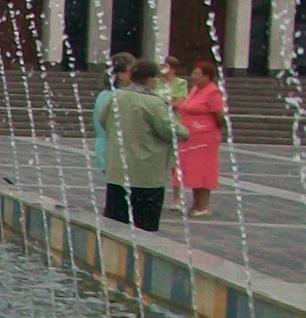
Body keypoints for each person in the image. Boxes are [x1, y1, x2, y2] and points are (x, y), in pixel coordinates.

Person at [102, 60, 180, 230]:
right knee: (144, 227)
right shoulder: (154, 102)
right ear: (150, 79)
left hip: (118, 172)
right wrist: (185, 131)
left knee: (115, 226)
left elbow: (103, 119)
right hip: (146, 175)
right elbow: (171, 131)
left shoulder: (116, 97)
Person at [172, 60, 227, 217]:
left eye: (197, 74)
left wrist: (213, 129)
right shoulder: (196, 89)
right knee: (194, 170)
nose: (193, 76)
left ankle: (204, 205)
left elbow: (219, 115)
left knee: (204, 170)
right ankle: (196, 203)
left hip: (205, 138)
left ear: (207, 76)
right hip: (191, 137)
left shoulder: (213, 92)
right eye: (194, 73)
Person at [91, 51, 135, 174]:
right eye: (131, 71)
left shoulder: (106, 94)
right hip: (116, 152)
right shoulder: (118, 96)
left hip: (107, 149)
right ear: (120, 74)